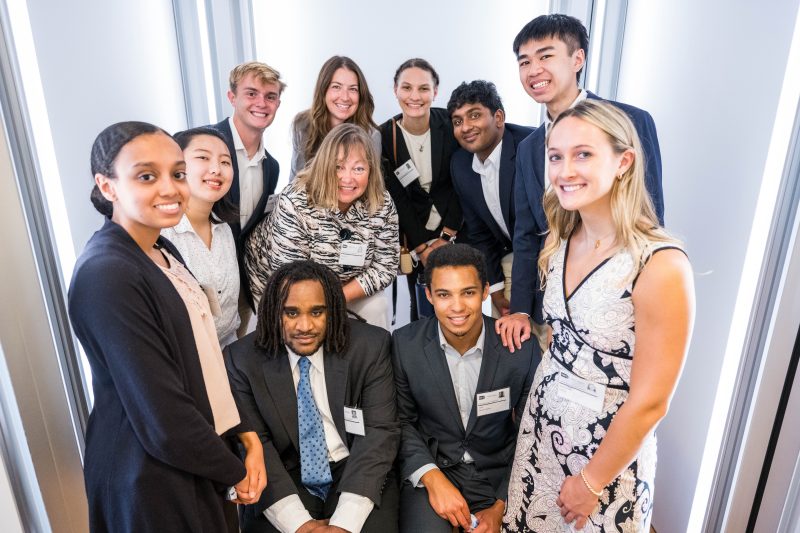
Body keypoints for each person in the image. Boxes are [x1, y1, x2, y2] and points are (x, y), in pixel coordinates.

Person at [502, 100, 694, 531]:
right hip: (540, 437)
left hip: (604, 459)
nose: (565, 170)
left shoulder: (659, 264)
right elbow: (558, 339)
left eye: (583, 154)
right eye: (556, 156)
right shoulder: (562, 238)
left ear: (623, 161)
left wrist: (591, 482)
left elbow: (651, 401)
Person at [68, 121, 266, 532]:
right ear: (107, 187)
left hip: (192, 458)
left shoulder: (160, 247)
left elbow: (206, 356)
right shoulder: (107, 274)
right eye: (146, 176)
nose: (170, 188)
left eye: (177, 174)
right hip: (148, 477)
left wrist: (245, 433)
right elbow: (162, 415)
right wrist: (232, 468)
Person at [497, 14, 665, 350]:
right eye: (524, 62)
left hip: (616, 300)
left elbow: (650, 215)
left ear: (578, 59)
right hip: (553, 305)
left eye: (546, 56)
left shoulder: (630, 121)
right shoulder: (529, 147)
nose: (533, 71)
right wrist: (520, 311)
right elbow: (527, 235)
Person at [225, 260, 400, 533]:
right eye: (291, 313)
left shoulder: (370, 346)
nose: (304, 326)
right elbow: (256, 444)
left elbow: (379, 433)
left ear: (332, 311)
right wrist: (299, 525)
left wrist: (344, 525)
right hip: (284, 472)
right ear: (273, 313)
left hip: (355, 465)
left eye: (317, 312)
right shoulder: (241, 360)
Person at [392, 244, 538, 533]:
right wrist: (432, 478)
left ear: (485, 291)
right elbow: (402, 422)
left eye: (468, 292)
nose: (457, 307)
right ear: (429, 295)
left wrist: (501, 505)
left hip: (499, 476)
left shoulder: (520, 348)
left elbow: (531, 433)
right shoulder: (403, 344)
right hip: (433, 472)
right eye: (444, 294)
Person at [246, 123, 399, 330]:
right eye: (338, 167)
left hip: (344, 287)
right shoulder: (296, 201)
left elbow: (385, 265)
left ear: (371, 170)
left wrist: (339, 297)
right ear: (324, 165)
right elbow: (290, 275)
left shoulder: (381, 202)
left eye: (359, 168)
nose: (347, 178)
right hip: (279, 286)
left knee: (377, 306)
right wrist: (325, 305)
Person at [380, 58, 462, 321]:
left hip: (456, 227)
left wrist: (447, 236)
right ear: (395, 91)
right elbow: (397, 199)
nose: (415, 96)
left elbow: (462, 184)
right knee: (422, 307)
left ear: (435, 92)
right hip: (414, 232)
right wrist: (422, 248)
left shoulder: (451, 125)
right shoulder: (384, 137)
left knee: (457, 304)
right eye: (406, 88)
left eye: (423, 89)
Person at [447, 80, 533, 318]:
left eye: (474, 115)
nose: (465, 127)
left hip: (551, 254)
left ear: (498, 117)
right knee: (508, 337)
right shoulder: (461, 165)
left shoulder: (532, 147)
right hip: (511, 256)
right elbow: (479, 233)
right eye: (457, 121)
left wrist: (524, 302)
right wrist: (495, 290)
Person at [209, 61, 285, 315]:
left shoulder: (271, 167)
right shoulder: (200, 144)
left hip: (240, 288)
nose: (261, 103)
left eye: (270, 96)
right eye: (251, 94)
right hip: (200, 282)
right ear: (232, 97)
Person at [162, 126, 241, 347]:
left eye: (225, 162)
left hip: (228, 352)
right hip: (184, 362)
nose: (216, 169)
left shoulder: (224, 228)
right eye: (203, 158)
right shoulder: (161, 234)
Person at [290, 56, 381, 179]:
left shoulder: (371, 136)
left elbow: (370, 188)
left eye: (353, 89)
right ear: (323, 90)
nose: (345, 97)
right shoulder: (302, 124)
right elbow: (296, 179)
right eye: (336, 87)